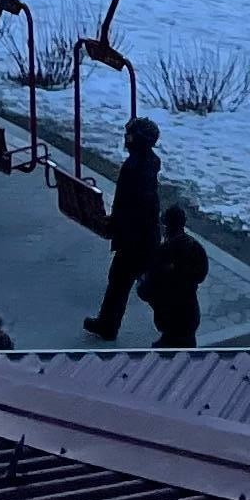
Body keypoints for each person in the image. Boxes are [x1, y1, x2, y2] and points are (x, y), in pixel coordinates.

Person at [82, 114, 163, 339]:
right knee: (134, 282)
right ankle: (109, 324)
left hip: (133, 239)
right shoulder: (150, 162)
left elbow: (131, 206)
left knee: (123, 282)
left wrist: (116, 224)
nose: (125, 138)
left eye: (129, 135)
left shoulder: (133, 168)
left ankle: (109, 325)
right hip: (145, 238)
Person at [141, 198, 209, 349]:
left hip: (169, 317)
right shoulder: (196, 248)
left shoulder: (163, 253)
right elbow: (201, 275)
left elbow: (147, 290)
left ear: (165, 225)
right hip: (190, 314)